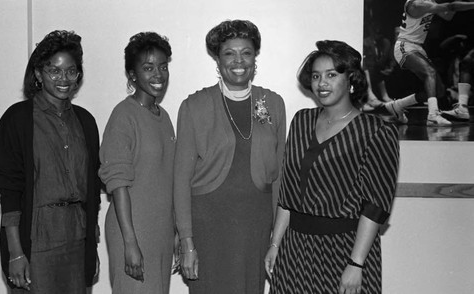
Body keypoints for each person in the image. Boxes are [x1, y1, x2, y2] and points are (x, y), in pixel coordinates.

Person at [265, 40, 400, 293]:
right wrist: (275, 244)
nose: (321, 83)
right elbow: (287, 194)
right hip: (294, 249)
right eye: (316, 76)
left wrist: (356, 263)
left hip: (345, 250)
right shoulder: (301, 121)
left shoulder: (376, 130)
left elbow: (375, 205)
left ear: (351, 80)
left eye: (331, 75)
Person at [174, 19, 286, 293]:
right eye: (229, 53)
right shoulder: (194, 106)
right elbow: (180, 181)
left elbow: (280, 178)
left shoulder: (273, 103)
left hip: (255, 227)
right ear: (218, 59)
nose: (239, 61)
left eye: (246, 52)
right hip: (209, 226)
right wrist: (187, 242)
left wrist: (277, 239)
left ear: (255, 57)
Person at [0, 30, 101, 293]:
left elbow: (92, 191)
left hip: (77, 237)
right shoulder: (17, 119)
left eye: (71, 71)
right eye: (54, 70)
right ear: (38, 74)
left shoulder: (86, 122)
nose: (63, 79)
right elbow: (9, 192)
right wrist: (16, 253)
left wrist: (91, 249)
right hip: (36, 239)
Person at [98, 32, 175, 294]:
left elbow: (164, 178)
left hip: (160, 231)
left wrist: (174, 229)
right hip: (132, 230)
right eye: (148, 68)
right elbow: (118, 184)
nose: (158, 75)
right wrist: (130, 243)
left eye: (163, 67)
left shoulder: (163, 116)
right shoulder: (123, 115)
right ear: (132, 75)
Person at [389, 0, 474, 125]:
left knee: (438, 90)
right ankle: (433, 115)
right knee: (430, 72)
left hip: (418, 47)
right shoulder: (416, 4)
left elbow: (448, 15)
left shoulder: (430, 2)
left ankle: (398, 105)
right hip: (405, 45)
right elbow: (451, 6)